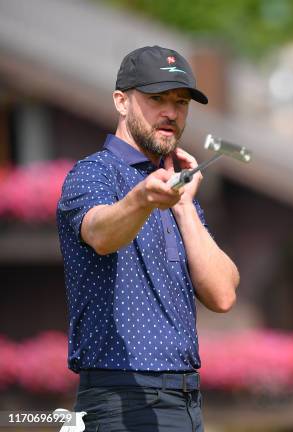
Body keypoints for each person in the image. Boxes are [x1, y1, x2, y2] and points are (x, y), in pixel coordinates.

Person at [56, 45, 240, 432]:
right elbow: (100, 233)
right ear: (121, 102)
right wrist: (141, 199)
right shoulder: (93, 174)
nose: (171, 113)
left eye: (180, 102)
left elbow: (223, 295)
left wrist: (185, 207)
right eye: (156, 99)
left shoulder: (174, 190)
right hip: (120, 395)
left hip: (185, 398)